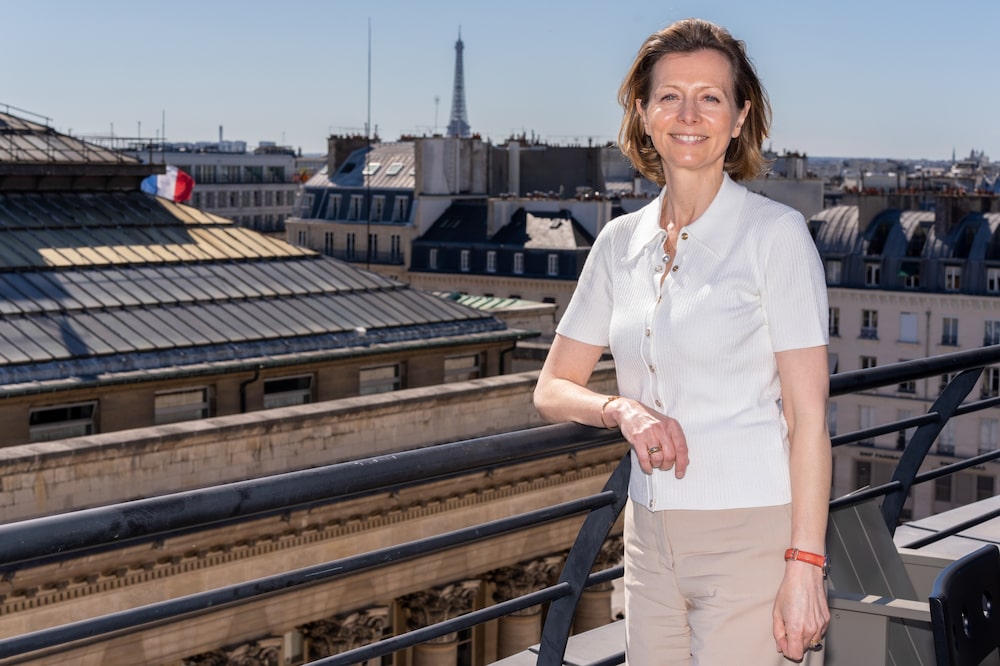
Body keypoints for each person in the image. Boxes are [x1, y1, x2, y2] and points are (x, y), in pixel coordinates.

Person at [533, 18, 831, 664]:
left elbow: (809, 419)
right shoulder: (618, 244)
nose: (688, 114)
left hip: (750, 538)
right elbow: (552, 387)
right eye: (670, 96)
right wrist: (621, 409)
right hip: (647, 542)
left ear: (740, 115)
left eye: (711, 97)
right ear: (642, 114)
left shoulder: (774, 237)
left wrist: (805, 563)